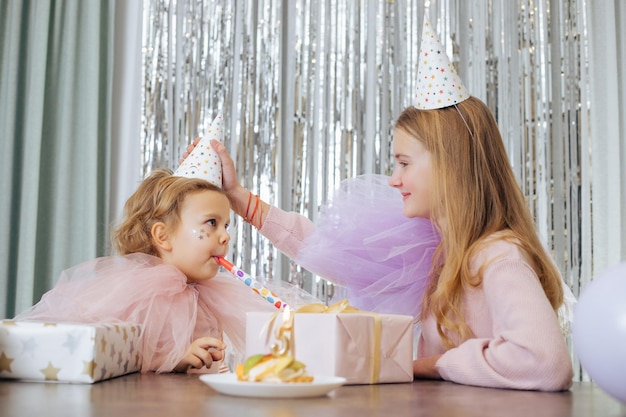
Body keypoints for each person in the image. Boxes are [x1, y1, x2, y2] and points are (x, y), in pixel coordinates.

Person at [186, 15, 575, 391]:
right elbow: (327, 250)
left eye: (404, 163)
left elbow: (545, 362)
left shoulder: (498, 257)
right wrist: (240, 200)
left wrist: (435, 366)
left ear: (452, 167)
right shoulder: (436, 249)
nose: (393, 179)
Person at [14, 169, 276, 373]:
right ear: (163, 236)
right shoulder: (140, 292)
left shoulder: (212, 295)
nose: (225, 237)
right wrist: (176, 359)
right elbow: (116, 354)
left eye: (226, 226)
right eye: (212, 223)